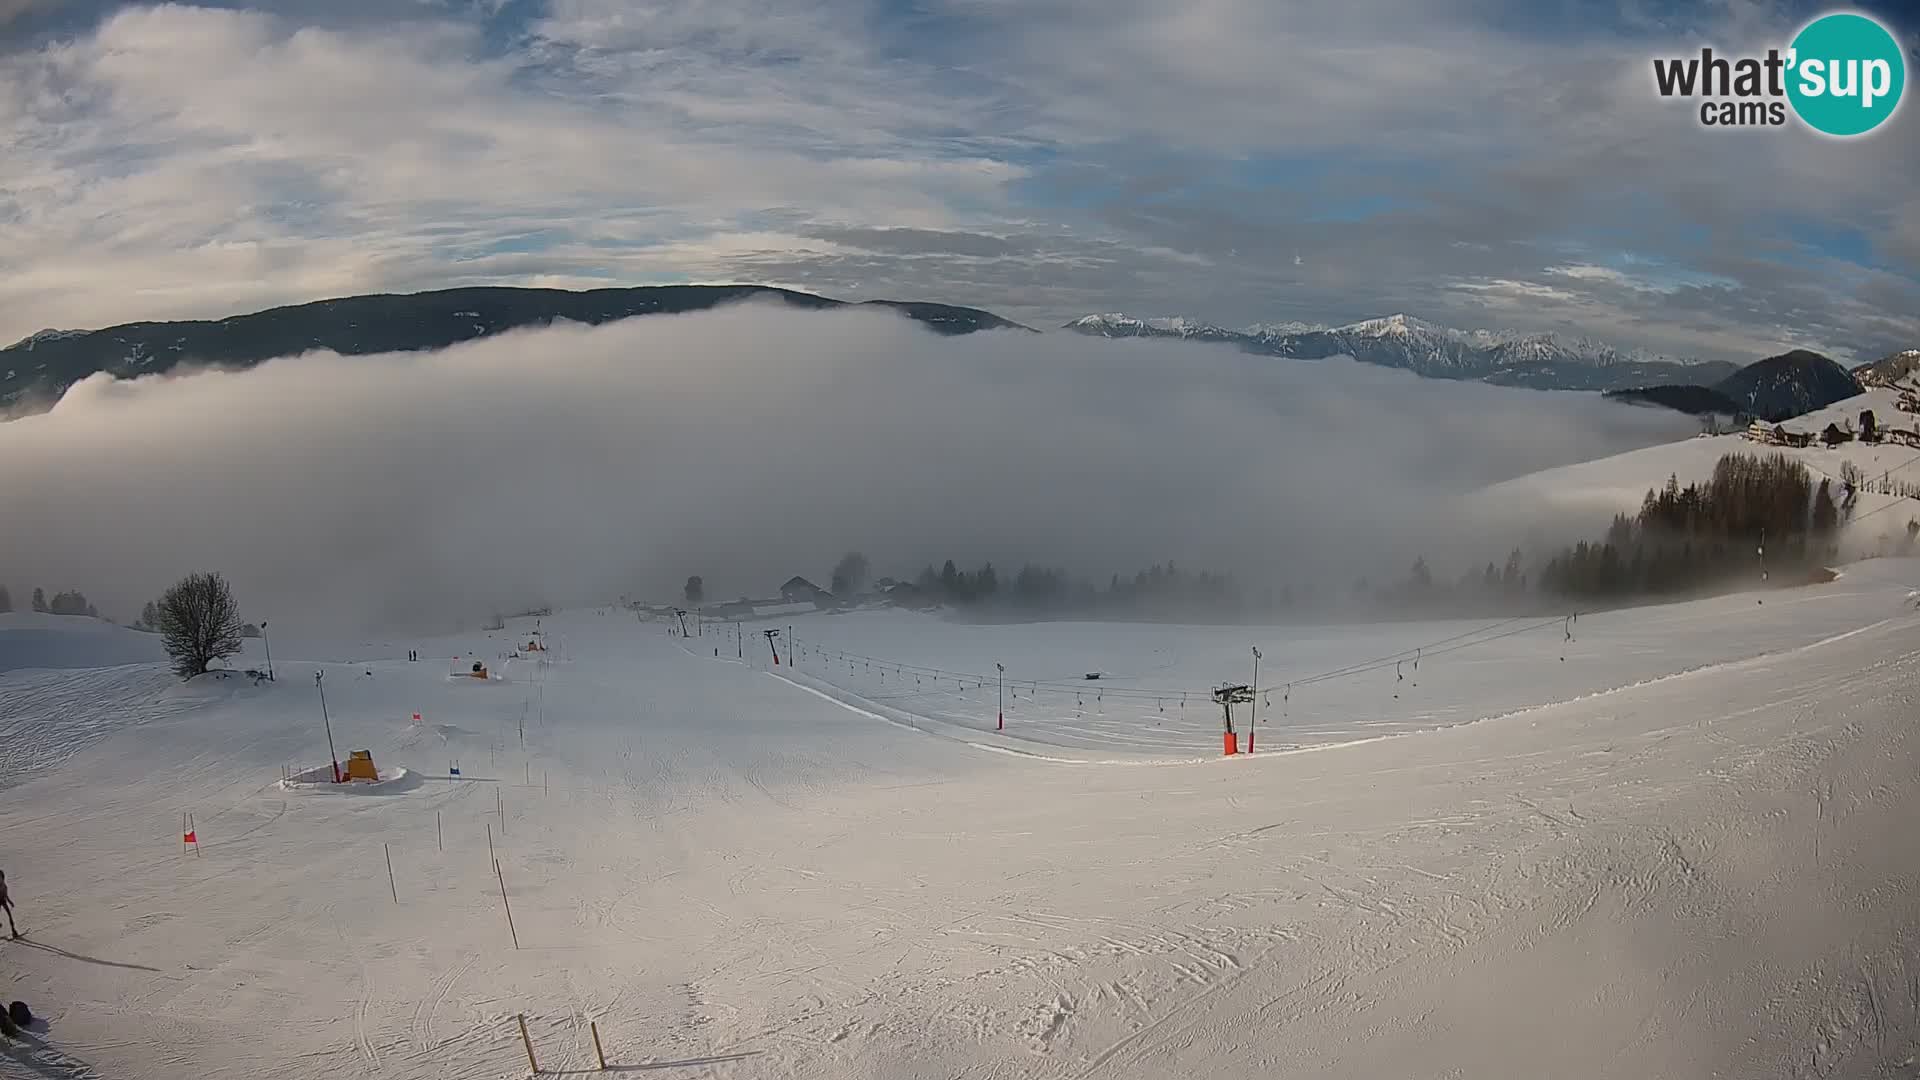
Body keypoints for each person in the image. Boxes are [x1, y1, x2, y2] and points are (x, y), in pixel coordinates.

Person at [0, 870, 17, 938]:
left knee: (10, 916)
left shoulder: (4, 886)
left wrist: (10, 902)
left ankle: (13, 931)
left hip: (3, 901)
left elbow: (6, 895)